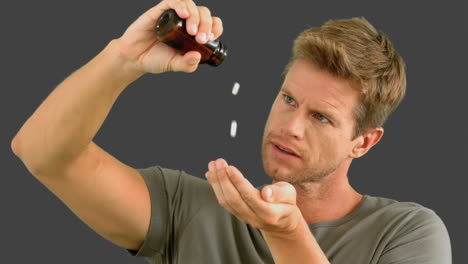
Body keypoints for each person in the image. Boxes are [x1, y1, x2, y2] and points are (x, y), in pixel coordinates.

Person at [11, 0, 451, 263]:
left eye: (321, 117)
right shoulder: (193, 209)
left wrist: (286, 233)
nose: (291, 127)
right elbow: (41, 152)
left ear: (364, 141)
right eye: (289, 99)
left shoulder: (407, 232)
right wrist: (121, 59)